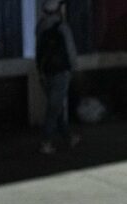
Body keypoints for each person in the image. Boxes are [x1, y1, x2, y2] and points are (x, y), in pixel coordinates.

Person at [35, 0, 78, 155]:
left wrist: (40, 71)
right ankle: (46, 142)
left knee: (56, 106)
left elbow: (38, 51)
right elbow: (70, 50)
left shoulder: (40, 27)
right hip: (61, 72)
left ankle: (68, 137)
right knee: (54, 108)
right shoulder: (62, 27)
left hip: (45, 72)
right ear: (58, 10)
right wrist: (73, 67)